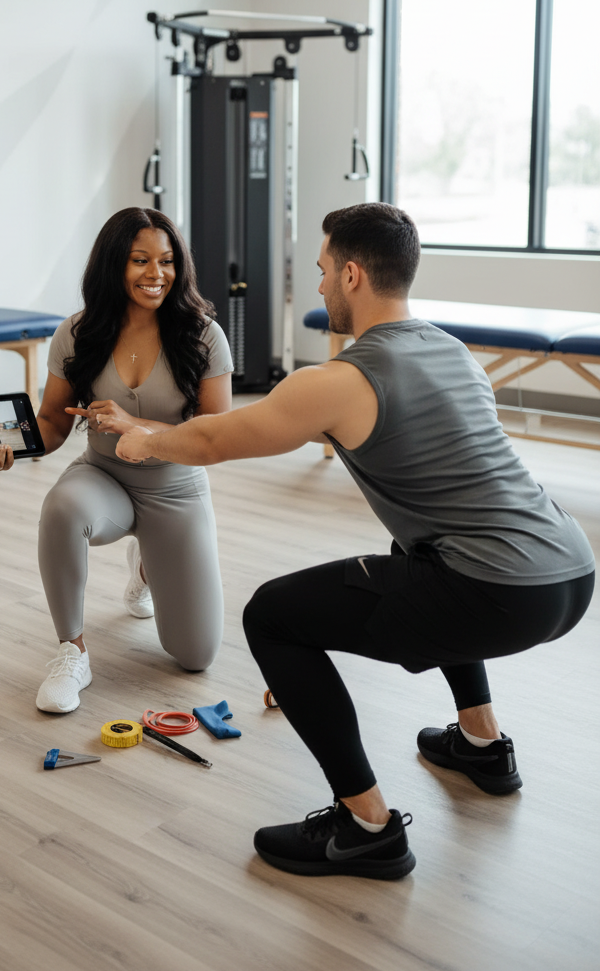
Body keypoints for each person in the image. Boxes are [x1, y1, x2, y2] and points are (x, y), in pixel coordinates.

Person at [107, 203, 595, 881]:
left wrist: (145, 439)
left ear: (355, 275)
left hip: (497, 594)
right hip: (570, 572)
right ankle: (481, 744)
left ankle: (366, 826)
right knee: (419, 554)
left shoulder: (337, 380)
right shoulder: (451, 350)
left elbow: (217, 439)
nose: (320, 287)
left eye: (323, 271)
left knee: (272, 617)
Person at [0, 206, 233, 713]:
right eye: (140, 261)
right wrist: (15, 447)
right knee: (62, 508)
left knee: (194, 656)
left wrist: (138, 427)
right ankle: (71, 651)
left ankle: (146, 568)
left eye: (166, 262)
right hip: (104, 476)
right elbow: (52, 422)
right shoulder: (77, 332)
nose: (156, 274)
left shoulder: (203, 335)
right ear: (114, 264)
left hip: (174, 487)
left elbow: (216, 435)